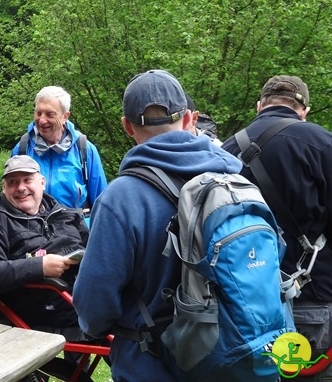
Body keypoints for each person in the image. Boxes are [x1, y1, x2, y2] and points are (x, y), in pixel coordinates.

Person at [72, 70, 243, 381]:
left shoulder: (121, 198)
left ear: (126, 126)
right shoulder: (236, 181)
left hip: (152, 364)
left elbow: (93, 303)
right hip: (234, 356)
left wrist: (96, 328)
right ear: (191, 119)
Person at [221, 75, 332, 381]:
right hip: (312, 300)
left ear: (260, 106)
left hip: (244, 306)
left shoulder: (227, 152)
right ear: (304, 109)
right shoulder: (323, 144)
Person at [0, 155, 88, 339]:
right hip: (37, 311)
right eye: (13, 182)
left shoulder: (65, 213)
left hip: (80, 296)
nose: (21, 188)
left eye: (27, 180)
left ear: (42, 182)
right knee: (122, 321)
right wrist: (39, 266)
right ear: (4, 188)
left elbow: (95, 252)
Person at [11, 86, 107, 213]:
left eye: (50, 114)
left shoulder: (84, 149)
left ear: (65, 116)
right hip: (31, 227)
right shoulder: (22, 149)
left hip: (74, 228)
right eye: (38, 113)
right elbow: (10, 197)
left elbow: (101, 203)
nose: (42, 120)